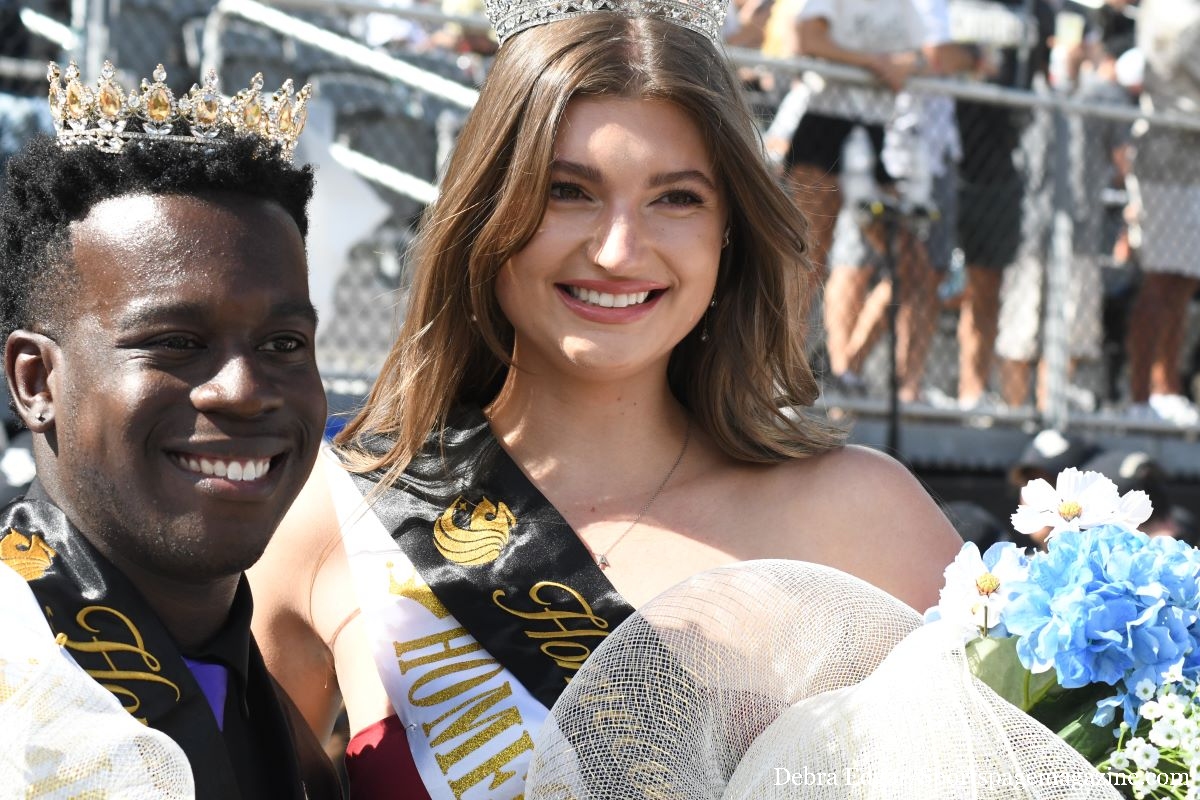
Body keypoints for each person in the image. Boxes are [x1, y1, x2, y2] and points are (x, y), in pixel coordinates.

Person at [247, 4, 963, 798]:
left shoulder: (864, 520)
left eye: (677, 198)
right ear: (486, 209)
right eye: (567, 191)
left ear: (729, 232)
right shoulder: (340, 514)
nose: (619, 251)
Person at [0, 61, 339, 798]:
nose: (244, 391)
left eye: (284, 344)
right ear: (36, 382)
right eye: (177, 343)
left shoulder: (282, 728)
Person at [1124, 0, 1200, 426]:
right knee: (1161, 278)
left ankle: (1166, 388)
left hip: (1194, 163)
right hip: (1168, 163)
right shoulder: (1173, 13)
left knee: (1185, 279)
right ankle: (1139, 396)